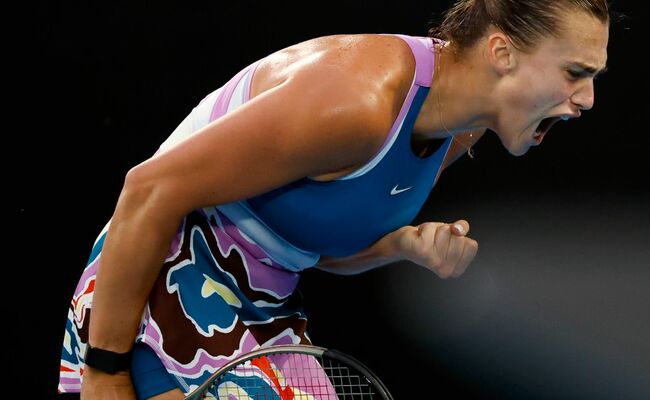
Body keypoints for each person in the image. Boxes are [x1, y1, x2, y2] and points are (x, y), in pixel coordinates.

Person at [58, 0, 610, 398]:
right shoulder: (358, 104)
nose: (586, 99)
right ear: (502, 52)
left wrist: (402, 246)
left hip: (267, 315)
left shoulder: (456, 128)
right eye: (574, 73)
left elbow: (315, 245)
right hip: (158, 291)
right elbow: (149, 188)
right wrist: (106, 369)